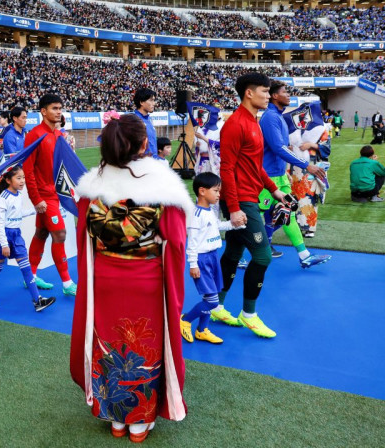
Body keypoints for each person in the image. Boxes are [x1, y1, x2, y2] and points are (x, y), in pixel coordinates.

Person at [70, 113, 190, 442]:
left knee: (110, 343)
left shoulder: (92, 186)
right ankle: (139, 421)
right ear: (144, 144)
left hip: (105, 277)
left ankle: (116, 419)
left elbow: (85, 235)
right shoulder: (161, 186)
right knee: (143, 344)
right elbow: (176, 241)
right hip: (145, 279)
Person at [210, 73, 288, 338]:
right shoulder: (234, 124)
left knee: (232, 254)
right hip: (240, 201)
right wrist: (233, 207)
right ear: (249, 93)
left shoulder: (254, 121)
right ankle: (249, 315)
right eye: (265, 91)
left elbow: (255, 166)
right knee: (263, 256)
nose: (269, 95)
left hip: (248, 196)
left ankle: (216, 306)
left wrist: (274, 189)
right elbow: (227, 168)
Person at [259, 80, 330, 268]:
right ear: (275, 96)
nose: (289, 95)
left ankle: (304, 255)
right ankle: (237, 255)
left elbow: (282, 147)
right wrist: (307, 165)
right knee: (252, 216)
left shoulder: (278, 118)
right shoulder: (270, 118)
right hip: (267, 177)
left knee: (287, 213)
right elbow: (277, 148)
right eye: (285, 92)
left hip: (279, 175)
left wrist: (285, 171)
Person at [0, 165, 56, 312]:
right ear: (8, 180)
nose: (22, 181)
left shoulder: (18, 195)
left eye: (23, 178)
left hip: (16, 234)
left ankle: (37, 300)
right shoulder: (3, 198)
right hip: (3, 235)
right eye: (18, 178)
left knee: (25, 266)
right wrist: (4, 245)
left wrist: (35, 210)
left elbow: (18, 214)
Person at [181, 173, 242, 345]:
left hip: (213, 257)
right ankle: (185, 320)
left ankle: (201, 331)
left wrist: (235, 224)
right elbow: (191, 242)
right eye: (216, 191)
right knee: (213, 301)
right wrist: (193, 264)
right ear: (202, 191)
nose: (218, 195)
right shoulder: (196, 215)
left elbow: (217, 226)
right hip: (202, 260)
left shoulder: (209, 211)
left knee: (209, 298)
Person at [23, 93, 76, 295]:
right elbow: (28, 170)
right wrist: (36, 199)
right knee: (60, 234)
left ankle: (32, 277)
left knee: (41, 233)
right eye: (54, 108)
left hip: (56, 194)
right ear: (43, 111)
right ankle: (66, 283)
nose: (59, 111)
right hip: (44, 196)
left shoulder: (59, 135)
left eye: (60, 108)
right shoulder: (34, 135)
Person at [134, 88, 158, 157]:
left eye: (154, 100)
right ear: (141, 102)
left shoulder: (149, 119)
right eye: (151, 100)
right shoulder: (134, 120)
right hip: (142, 164)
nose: (154, 103)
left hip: (153, 162)